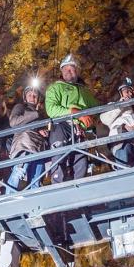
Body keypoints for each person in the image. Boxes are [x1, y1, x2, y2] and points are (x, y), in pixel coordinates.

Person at [44, 53, 101, 183]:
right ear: (61, 71)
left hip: (81, 130)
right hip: (62, 125)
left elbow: (97, 108)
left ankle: (78, 192)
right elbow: (51, 109)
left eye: (71, 69)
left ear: (77, 71)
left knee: (81, 162)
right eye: (65, 69)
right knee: (60, 155)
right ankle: (58, 188)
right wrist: (75, 112)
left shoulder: (84, 91)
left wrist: (92, 119)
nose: (68, 71)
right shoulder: (55, 88)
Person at [5, 79, 48, 193]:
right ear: (25, 97)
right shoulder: (20, 107)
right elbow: (14, 122)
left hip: (38, 149)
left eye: (35, 95)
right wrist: (35, 114)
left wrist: (42, 130)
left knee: (36, 181)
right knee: (19, 174)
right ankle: (8, 203)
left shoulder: (42, 114)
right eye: (30, 95)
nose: (32, 97)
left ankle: (36, 207)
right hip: (25, 145)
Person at [99, 78, 134, 168]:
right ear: (120, 93)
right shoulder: (113, 105)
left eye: (130, 91)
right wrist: (121, 105)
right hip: (122, 139)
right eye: (126, 91)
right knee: (124, 167)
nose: (129, 94)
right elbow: (104, 118)